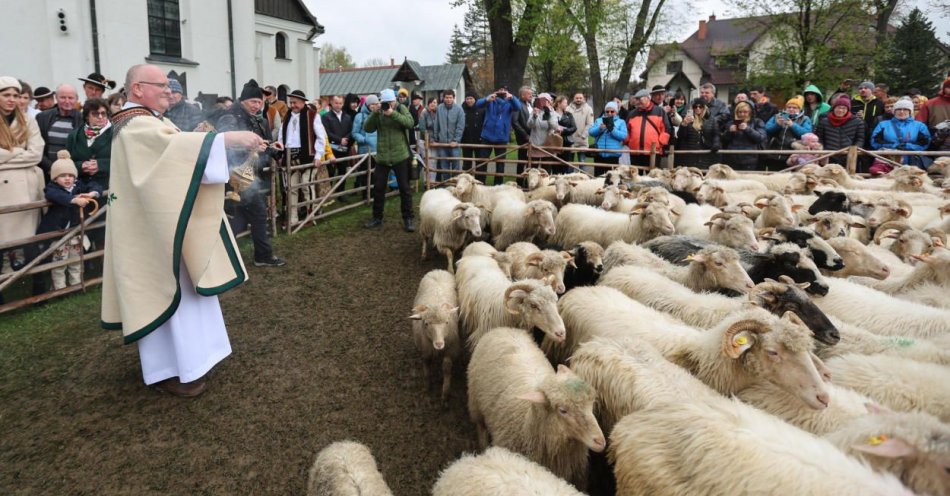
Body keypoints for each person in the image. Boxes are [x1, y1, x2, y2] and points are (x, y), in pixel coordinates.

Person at [102, 64, 263, 397]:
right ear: (137, 89)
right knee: (164, 291)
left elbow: (180, 155)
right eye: (160, 85)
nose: (169, 90)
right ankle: (170, 369)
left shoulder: (149, 121)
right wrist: (227, 138)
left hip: (163, 225)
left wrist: (223, 149)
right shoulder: (134, 125)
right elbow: (179, 156)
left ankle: (193, 360)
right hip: (153, 235)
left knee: (184, 293)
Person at [217, 80, 286, 268]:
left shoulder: (259, 119)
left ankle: (221, 254)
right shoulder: (229, 117)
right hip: (235, 176)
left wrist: (274, 149)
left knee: (243, 217)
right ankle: (259, 256)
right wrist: (256, 147)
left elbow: (264, 144)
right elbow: (222, 144)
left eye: (260, 102)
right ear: (243, 100)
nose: (257, 105)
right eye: (253, 101)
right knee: (251, 215)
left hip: (251, 176)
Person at [35, 150, 102, 289]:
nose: (67, 179)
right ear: (54, 178)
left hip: (75, 234)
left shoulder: (78, 186)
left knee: (76, 261)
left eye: (71, 175)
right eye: (62, 176)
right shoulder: (52, 188)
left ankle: (75, 285)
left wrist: (92, 193)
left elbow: (95, 185)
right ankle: (59, 288)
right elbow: (55, 195)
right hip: (59, 235)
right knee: (59, 263)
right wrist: (74, 200)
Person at [0, 77, 44, 275]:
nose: (12, 100)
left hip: (26, 185)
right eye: (6, 95)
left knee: (27, 237)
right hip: (3, 189)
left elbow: (36, 154)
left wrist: (6, 156)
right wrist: (18, 151)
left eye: (16, 95)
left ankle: (33, 279)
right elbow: (27, 153)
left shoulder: (28, 120)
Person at [363, 88, 415, 231]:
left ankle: (408, 219)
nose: (388, 105)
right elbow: (367, 128)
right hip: (383, 157)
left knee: (404, 188)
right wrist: (374, 113)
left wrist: (393, 114)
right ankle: (376, 217)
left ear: (394, 100)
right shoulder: (378, 113)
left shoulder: (400, 108)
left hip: (400, 155)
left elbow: (410, 123)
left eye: (390, 102)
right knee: (378, 188)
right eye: (385, 103)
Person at [278, 89, 330, 227]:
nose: (292, 105)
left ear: (303, 102)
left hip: (308, 156)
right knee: (292, 188)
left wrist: (318, 155)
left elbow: (320, 137)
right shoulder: (287, 116)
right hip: (289, 156)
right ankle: (293, 218)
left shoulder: (312, 115)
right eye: (291, 103)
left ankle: (310, 216)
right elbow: (281, 136)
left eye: (295, 102)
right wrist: (280, 151)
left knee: (307, 187)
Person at [475, 87, 522, 185]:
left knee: (500, 164)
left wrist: (512, 97)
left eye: (504, 90)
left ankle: (498, 185)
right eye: (500, 90)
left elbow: (518, 107)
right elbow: (478, 104)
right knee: (482, 162)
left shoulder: (510, 102)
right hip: (487, 136)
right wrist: (487, 99)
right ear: (496, 91)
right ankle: (481, 183)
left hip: (502, 138)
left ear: (507, 91)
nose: (502, 92)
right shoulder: (490, 100)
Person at [870, 98, 931, 171]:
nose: (901, 112)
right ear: (894, 111)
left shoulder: (920, 126)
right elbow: (875, 141)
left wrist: (907, 146)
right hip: (889, 160)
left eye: (905, 109)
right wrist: (894, 146)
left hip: (912, 162)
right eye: (899, 109)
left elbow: (925, 143)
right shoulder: (883, 125)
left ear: (910, 111)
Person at [36, 84, 82, 179]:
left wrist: (68, 170)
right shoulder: (42, 117)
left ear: (76, 99)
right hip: (47, 173)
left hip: (73, 174)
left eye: (70, 98)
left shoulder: (83, 119)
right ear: (56, 98)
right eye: (62, 97)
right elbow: (37, 146)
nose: (67, 101)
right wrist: (51, 168)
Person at [66, 98, 112, 190]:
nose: (100, 117)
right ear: (87, 116)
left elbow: (124, 161)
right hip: (80, 189)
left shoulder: (117, 133)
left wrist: (101, 165)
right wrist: (81, 166)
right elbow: (66, 162)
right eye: (95, 114)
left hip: (108, 188)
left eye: (103, 113)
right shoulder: (74, 135)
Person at [624, 89, 673, 168]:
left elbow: (666, 129)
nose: (637, 101)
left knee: (652, 177)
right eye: (636, 99)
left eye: (640, 99)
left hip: (653, 152)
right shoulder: (632, 114)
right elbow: (626, 130)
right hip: (635, 152)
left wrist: (660, 144)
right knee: (635, 178)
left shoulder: (659, 111)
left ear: (648, 98)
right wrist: (629, 142)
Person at [813, 95, 866, 166]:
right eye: (838, 107)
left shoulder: (858, 122)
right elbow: (819, 138)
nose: (840, 110)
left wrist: (854, 150)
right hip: (828, 156)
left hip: (848, 156)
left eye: (844, 108)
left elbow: (860, 139)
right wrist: (822, 151)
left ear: (848, 109)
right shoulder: (824, 121)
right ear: (834, 108)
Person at [764, 95, 813, 169]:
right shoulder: (778, 116)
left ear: (799, 109)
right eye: (789, 107)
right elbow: (767, 129)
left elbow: (807, 133)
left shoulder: (805, 119)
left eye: (794, 108)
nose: (791, 109)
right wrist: (777, 125)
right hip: (774, 153)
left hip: (792, 156)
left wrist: (793, 125)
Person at [720, 100, 767, 171]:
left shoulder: (757, 122)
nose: (742, 114)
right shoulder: (731, 123)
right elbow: (723, 140)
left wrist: (747, 129)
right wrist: (729, 132)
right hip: (732, 158)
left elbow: (760, 138)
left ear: (750, 112)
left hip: (749, 158)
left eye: (745, 112)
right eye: (740, 112)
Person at [675, 98, 721, 168]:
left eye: (701, 107)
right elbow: (681, 136)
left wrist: (716, 144)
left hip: (705, 154)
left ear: (705, 108)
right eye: (695, 107)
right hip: (689, 155)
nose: (698, 108)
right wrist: (684, 124)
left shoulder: (712, 119)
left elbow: (716, 134)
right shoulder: (687, 118)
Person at [431, 89, 465, 182]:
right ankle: (447, 185)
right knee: (444, 166)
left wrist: (456, 140)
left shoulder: (459, 110)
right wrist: (434, 138)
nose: (448, 99)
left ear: (453, 98)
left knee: (455, 166)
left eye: (450, 97)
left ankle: (455, 184)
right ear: (444, 98)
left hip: (454, 144)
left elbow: (460, 126)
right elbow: (436, 124)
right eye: (446, 97)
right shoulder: (439, 108)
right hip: (442, 144)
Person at [588, 101, 628, 176]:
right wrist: (600, 128)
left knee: (612, 179)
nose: (609, 113)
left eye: (612, 111)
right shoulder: (599, 120)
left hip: (613, 155)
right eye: (607, 111)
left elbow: (623, 136)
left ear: (616, 112)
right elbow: (591, 132)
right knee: (598, 178)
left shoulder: (621, 122)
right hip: (599, 154)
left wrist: (612, 130)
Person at [321, 95, 352, 189]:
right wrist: (339, 140)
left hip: (344, 149)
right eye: (336, 103)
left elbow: (351, 130)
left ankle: (341, 192)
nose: (338, 105)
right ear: (332, 103)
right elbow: (326, 132)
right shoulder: (326, 117)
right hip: (331, 148)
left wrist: (346, 139)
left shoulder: (347, 117)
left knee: (342, 171)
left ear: (343, 104)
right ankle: (328, 193)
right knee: (330, 172)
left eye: (340, 103)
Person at [351, 94, 378, 193]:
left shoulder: (378, 115)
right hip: (365, 149)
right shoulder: (360, 116)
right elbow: (354, 133)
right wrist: (364, 139)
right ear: (367, 104)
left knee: (376, 173)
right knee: (366, 173)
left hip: (377, 149)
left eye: (376, 104)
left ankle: (375, 192)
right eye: (372, 104)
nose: (374, 106)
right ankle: (366, 193)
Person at [511, 86, 534, 185]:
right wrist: (525, 135)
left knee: (531, 161)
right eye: (529, 94)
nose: (531, 96)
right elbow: (515, 122)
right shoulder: (518, 105)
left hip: (532, 137)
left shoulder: (530, 105)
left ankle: (528, 182)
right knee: (522, 161)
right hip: (523, 138)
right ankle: (520, 183)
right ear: (522, 95)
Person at [566, 92, 593, 172]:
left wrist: (583, 135)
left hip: (582, 141)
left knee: (582, 163)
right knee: (569, 164)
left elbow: (590, 124)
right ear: (574, 99)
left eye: (580, 98)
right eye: (577, 98)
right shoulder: (568, 109)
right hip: (570, 141)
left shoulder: (588, 109)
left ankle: (583, 181)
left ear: (583, 99)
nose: (578, 99)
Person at [552, 95, 576, 174]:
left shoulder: (569, 115)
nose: (567, 104)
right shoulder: (551, 114)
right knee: (554, 165)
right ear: (559, 103)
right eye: (565, 103)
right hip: (554, 143)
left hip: (566, 142)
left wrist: (563, 131)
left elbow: (574, 128)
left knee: (566, 165)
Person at [460, 92, 483, 172]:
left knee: (479, 163)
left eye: (471, 98)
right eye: (467, 99)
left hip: (478, 140)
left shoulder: (481, 109)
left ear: (475, 99)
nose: (469, 100)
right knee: (466, 163)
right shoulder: (462, 109)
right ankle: (466, 181)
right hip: (466, 140)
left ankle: (479, 181)